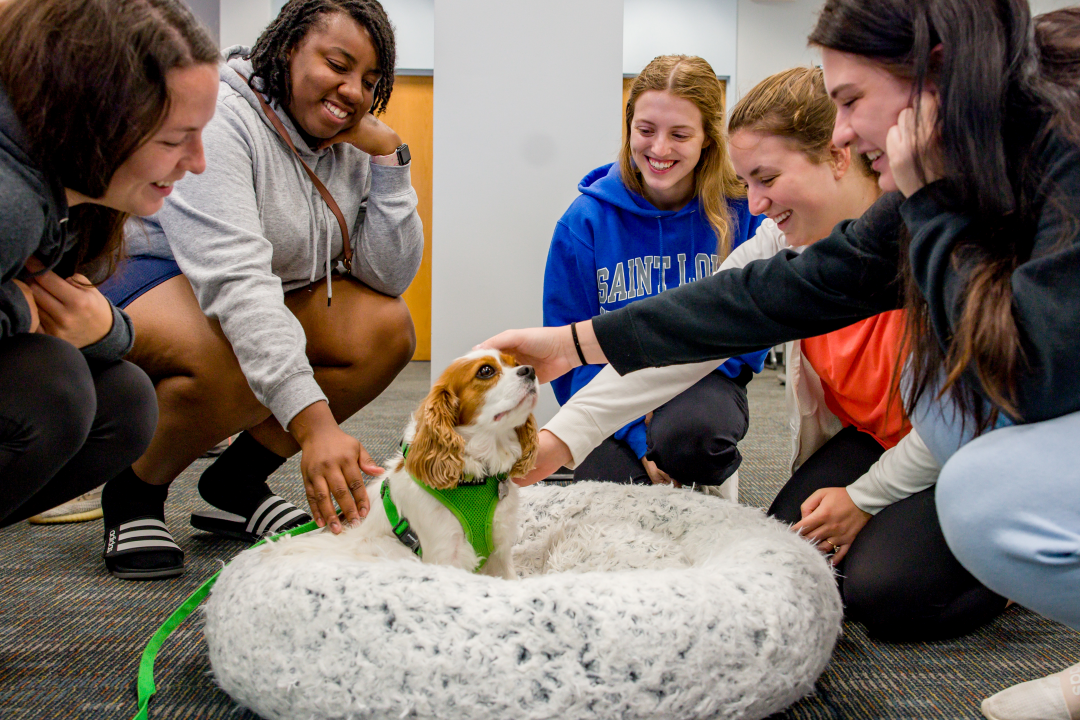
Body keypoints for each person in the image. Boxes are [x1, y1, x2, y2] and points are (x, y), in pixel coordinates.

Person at [483, 0, 1079, 715]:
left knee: (961, 512)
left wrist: (868, 497)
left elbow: (1025, 383)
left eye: (853, 101)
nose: (848, 129)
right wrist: (573, 346)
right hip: (912, 433)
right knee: (803, 550)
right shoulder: (918, 193)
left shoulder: (1045, 147)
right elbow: (747, 303)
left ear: (936, 73)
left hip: (1004, 427)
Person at [98, 0, 424, 579]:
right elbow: (236, 282)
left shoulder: (348, 140)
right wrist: (316, 426)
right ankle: (135, 492)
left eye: (369, 81)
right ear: (287, 47)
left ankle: (235, 482)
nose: (352, 91)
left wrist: (390, 162)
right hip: (154, 274)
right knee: (227, 349)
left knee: (386, 330)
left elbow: (387, 276)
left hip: (259, 289)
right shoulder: (224, 118)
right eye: (337, 64)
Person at [0, 0, 218, 528]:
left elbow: (82, 311)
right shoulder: (11, 204)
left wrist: (106, 329)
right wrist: (13, 312)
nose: (197, 162)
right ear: (93, 120)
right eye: (173, 139)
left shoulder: (68, 195)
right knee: (52, 389)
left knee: (125, 400)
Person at [543, 54, 765, 493]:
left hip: (706, 382)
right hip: (611, 390)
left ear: (707, 140)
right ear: (629, 129)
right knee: (607, 499)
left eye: (680, 134)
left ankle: (702, 462)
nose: (659, 149)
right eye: (645, 131)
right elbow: (567, 352)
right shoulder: (584, 221)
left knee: (691, 438)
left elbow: (757, 327)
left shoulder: (744, 212)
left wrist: (666, 415)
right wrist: (637, 433)